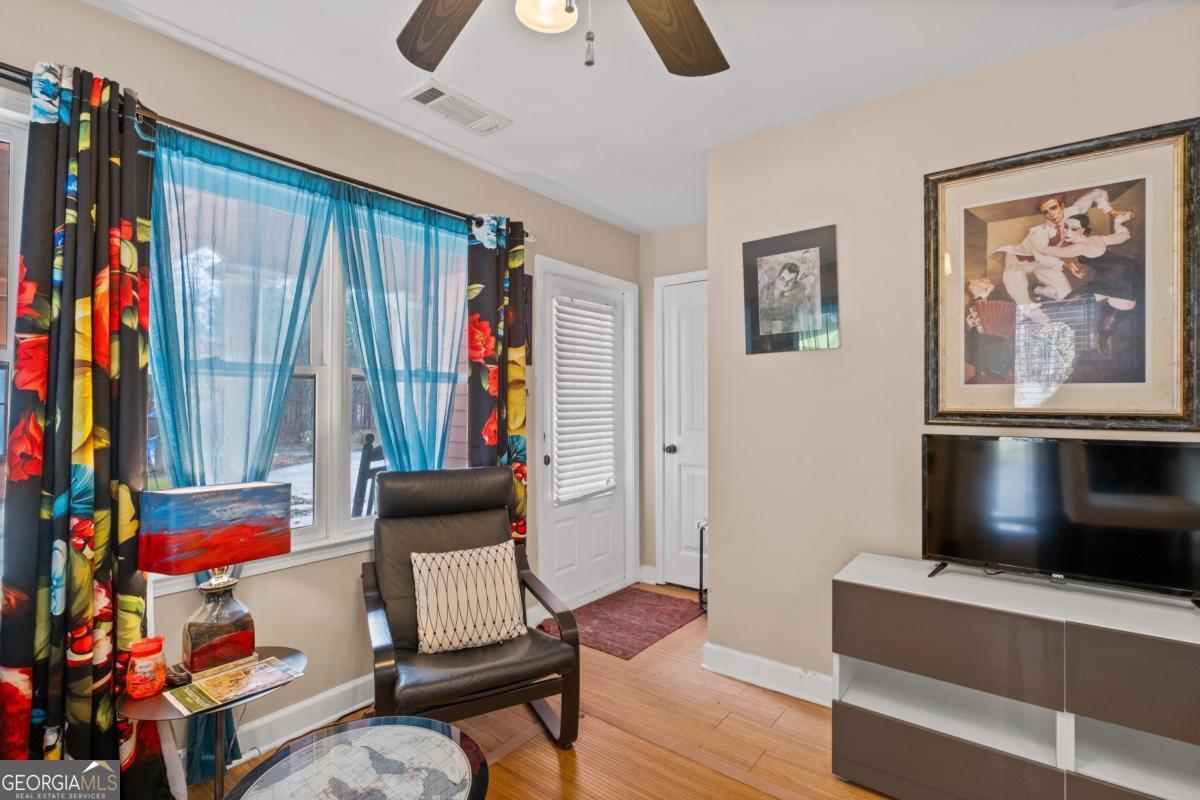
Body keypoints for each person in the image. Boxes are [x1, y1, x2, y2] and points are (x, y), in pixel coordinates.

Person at [994, 189, 1130, 306]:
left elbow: (1098, 193)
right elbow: (1045, 258)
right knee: (1024, 303)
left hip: (1042, 263)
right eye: (1046, 212)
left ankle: (1038, 289)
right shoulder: (1037, 233)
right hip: (1017, 260)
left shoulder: (1073, 212)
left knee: (1065, 297)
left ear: (1062, 205)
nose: (1051, 214)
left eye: (1054, 208)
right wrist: (1067, 265)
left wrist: (1112, 212)